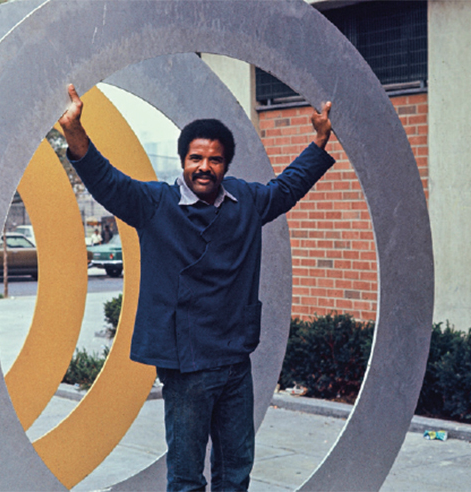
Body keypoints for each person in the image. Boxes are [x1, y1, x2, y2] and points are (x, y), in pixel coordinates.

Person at [58, 84, 334, 492]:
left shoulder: (247, 201)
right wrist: (75, 132)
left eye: (215, 160)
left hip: (235, 359)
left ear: (226, 165)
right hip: (187, 367)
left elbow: (287, 187)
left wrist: (319, 142)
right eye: (196, 158)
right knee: (187, 478)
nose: (205, 167)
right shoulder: (155, 204)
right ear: (183, 160)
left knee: (236, 472)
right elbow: (108, 182)